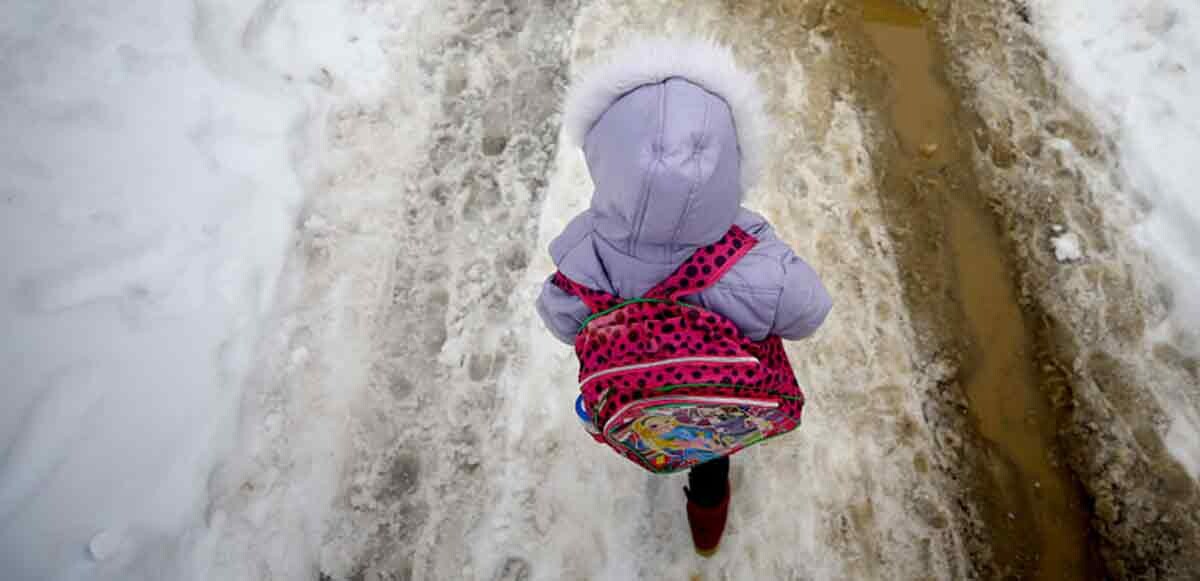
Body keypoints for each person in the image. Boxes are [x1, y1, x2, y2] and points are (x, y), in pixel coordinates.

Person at [536, 38, 834, 556]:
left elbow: (559, 317)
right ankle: (706, 530)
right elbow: (810, 311)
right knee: (709, 453)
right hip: (713, 395)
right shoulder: (753, 264)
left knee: (657, 421)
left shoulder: (585, 256)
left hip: (635, 394)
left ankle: (654, 445)